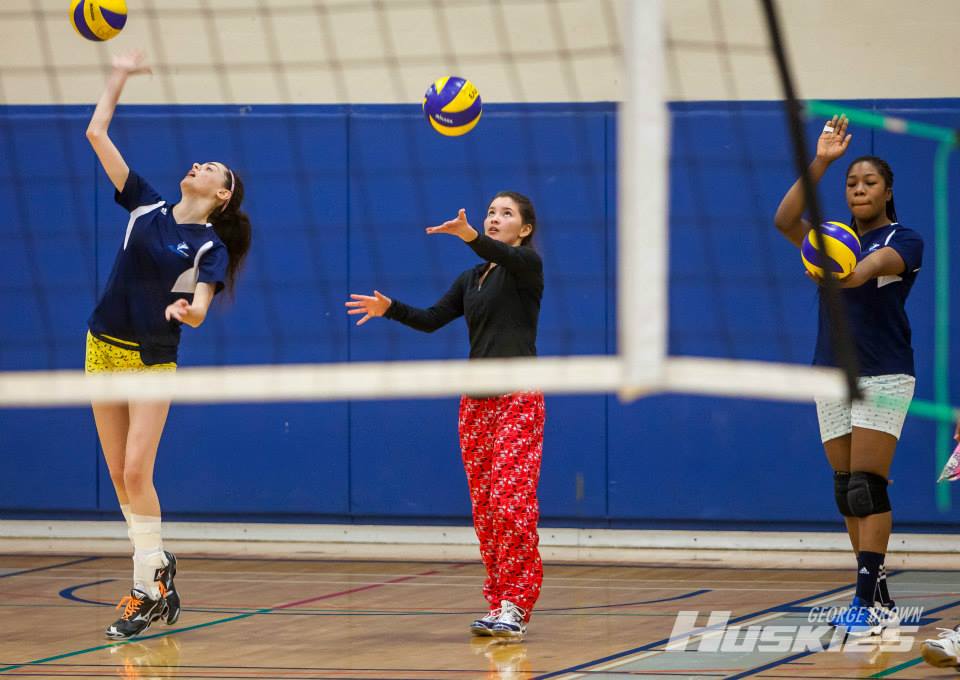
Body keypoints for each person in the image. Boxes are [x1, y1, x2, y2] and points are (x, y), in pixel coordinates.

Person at [85, 49, 252, 639]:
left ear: (223, 195)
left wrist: (188, 310)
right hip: (102, 347)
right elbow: (96, 132)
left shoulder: (209, 246)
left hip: (152, 360)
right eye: (200, 162)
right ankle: (156, 575)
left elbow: (201, 307)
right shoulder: (145, 204)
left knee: (137, 470)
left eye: (213, 169)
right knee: (119, 478)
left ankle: (144, 587)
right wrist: (120, 74)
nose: (199, 165)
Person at [346, 193, 545, 640]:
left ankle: (517, 603)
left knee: (511, 504)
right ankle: (498, 601)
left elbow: (497, 252)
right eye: (490, 212)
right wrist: (390, 308)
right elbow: (432, 318)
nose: (495, 218)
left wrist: (469, 234)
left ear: (525, 229)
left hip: (517, 397)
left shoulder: (526, 267)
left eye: (506, 214)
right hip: (475, 404)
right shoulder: (471, 278)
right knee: (486, 510)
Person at [773, 114, 923, 637]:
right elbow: (784, 219)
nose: (859, 189)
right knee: (846, 490)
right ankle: (878, 598)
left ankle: (864, 600)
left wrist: (837, 266)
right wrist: (821, 161)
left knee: (867, 486)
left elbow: (867, 270)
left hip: (883, 373)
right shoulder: (831, 238)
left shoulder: (904, 239)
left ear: (887, 191)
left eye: (869, 182)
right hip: (831, 373)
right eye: (852, 183)